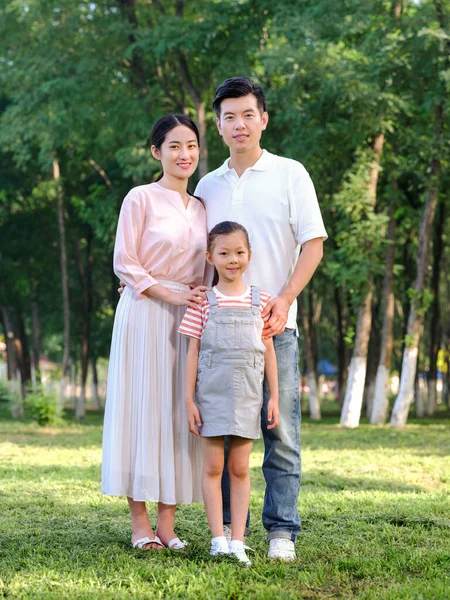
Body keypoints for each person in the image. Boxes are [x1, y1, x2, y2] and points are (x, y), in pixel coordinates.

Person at [195, 77, 327, 561]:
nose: (239, 124)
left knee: (281, 433)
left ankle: (281, 532)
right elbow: (197, 256)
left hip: (275, 329)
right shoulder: (207, 185)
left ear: (263, 119)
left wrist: (285, 299)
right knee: (228, 435)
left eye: (248, 114)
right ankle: (232, 532)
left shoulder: (291, 173)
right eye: (229, 116)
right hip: (220, 337)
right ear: (219, 124)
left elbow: (313, 244)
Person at [102, 114, 208, 551]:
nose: (184, 155)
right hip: (145, 311)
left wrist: (200, 299)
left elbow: (210, 265)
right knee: (142, 409)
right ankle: (140, 525)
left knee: (176, 415)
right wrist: (167, 293)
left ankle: (168, 525)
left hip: (187, 318)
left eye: (191, 146)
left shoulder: (202, 207)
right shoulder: (140, 198)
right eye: (174, 146)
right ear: (156, 152)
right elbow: (125, 261)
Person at [178, 221, 279, 566]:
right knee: (212, 467)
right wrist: (189, 399)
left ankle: (238, 540)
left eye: (239, 252)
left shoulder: (261, 300)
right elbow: (192, 352)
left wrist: (274, 396)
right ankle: (217, 539)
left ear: (249, 255)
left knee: (239, 468)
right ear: (211, 257)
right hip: (210, 395)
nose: (232, 259)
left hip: (249, 396)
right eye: (224, 253)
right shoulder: (203, 301)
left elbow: (268, 351)